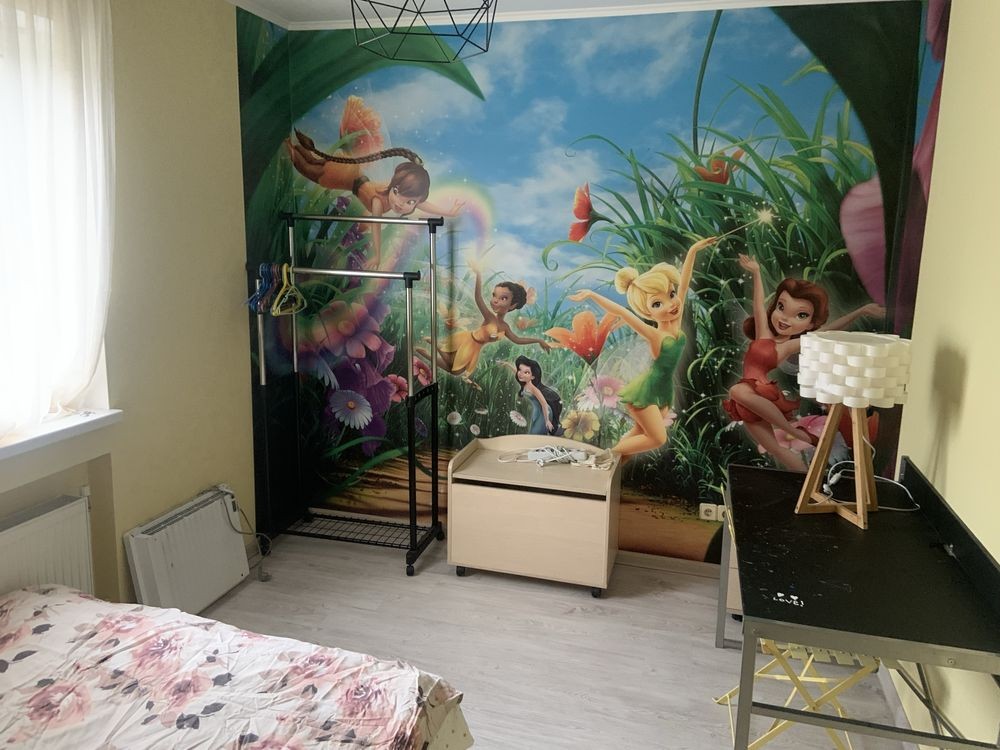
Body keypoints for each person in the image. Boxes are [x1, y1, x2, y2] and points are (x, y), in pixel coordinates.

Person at [722, 253, 885, 470]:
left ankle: (795, 432)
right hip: (749, 400)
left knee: (736, 390)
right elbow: (758, 305)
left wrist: (860, 311)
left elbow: (827, 331)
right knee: (774, 448)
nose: (784, 319)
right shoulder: (763, 335)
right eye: (781, 307)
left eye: (800, 315)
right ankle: (806, 482)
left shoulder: (788, 346)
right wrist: (757, 272)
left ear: (810, 324)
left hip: (758, 391)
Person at [568, 236, 718, 457]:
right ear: (648, 312)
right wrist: (592, 295)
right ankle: (602, 457)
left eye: (671, 294)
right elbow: (622, 312)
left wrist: (693, 250)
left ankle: (612, 466)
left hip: (663, 391)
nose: (671, 304)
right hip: (646, 392)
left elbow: (684, 283)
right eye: (657, 304)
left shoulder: (675, 322)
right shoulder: (655, 335)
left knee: (638, 434)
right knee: (657, 438)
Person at [284, 98, 462, 267]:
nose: (400, 204)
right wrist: (377, 255)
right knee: (307, 168)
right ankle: (286, 144)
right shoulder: (378, 202)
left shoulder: (390, 192)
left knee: (313, 162)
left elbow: (423, 204)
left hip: (351, 172)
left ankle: (290, 143)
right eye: (397, 193)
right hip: (343, 177)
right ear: (393, 187)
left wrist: (447, 212)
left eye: (410, 202)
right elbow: (376, 226)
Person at [419, 258, 552, 378]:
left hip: (475, 348)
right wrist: (478, 275)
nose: (495, 300)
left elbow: (517, 340)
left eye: (503, 298)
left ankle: (427, 352)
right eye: (494, 295)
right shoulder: (490, 317)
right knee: (456, 369)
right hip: (469, 340)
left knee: (456, 370)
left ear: (512, 305)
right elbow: (478, 298)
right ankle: (437, 346)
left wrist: (538, 340)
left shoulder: (505, 327)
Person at [514, 356, 563, 436]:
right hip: (535, 411)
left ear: (533, 376)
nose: (521, 374)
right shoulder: (524, 383)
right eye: (519, 370)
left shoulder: (533, 389)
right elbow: (517, 372)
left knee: (535, 434)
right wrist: (507, 365)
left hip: (543, 413)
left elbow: (544, 404)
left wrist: (547, 421)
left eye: (526, 372)